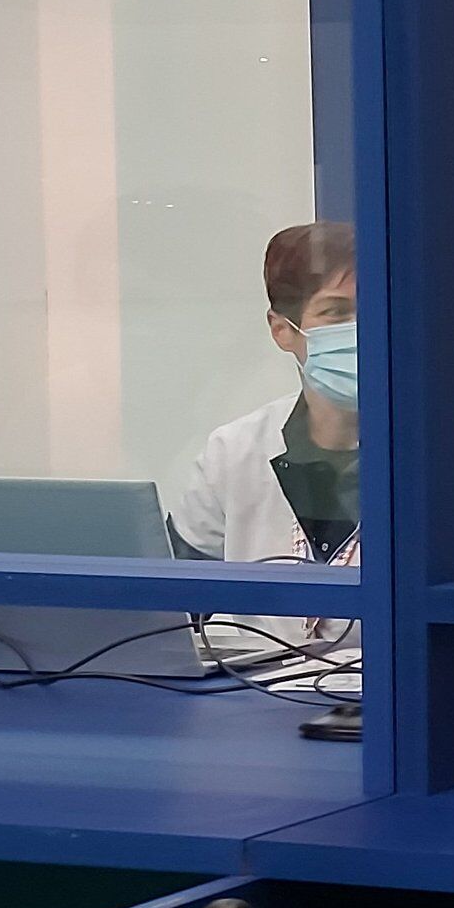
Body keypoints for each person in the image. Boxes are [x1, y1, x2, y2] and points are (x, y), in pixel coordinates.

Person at [169, 220, 361, 652]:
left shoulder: (448, 459)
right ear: (283, 330)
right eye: (336, 312)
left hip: (394, 686)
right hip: (253, 683)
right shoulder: (234, 451)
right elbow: (173, 605)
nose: (363, 330)